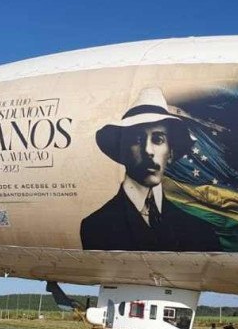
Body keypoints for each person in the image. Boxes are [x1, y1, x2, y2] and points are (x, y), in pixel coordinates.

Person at [80, 87, 221, 252]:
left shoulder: (200, 231)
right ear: (122, 151)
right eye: (137, 140)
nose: (148, 150)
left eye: (158, 139)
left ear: (171, 152)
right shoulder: (96, 227)